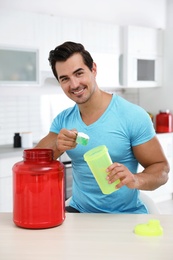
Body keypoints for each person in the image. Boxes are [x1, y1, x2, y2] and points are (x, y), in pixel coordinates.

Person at [35, 41, 169, 214]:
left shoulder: (132, 116)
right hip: (79, 213)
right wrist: (57, 146)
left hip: (125, 216)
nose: (74, 84)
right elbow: (35, 162)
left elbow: (161, 169)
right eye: (65, 78)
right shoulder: (63, 120)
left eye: (79, 73)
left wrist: (136, 179)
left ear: (93, 69)